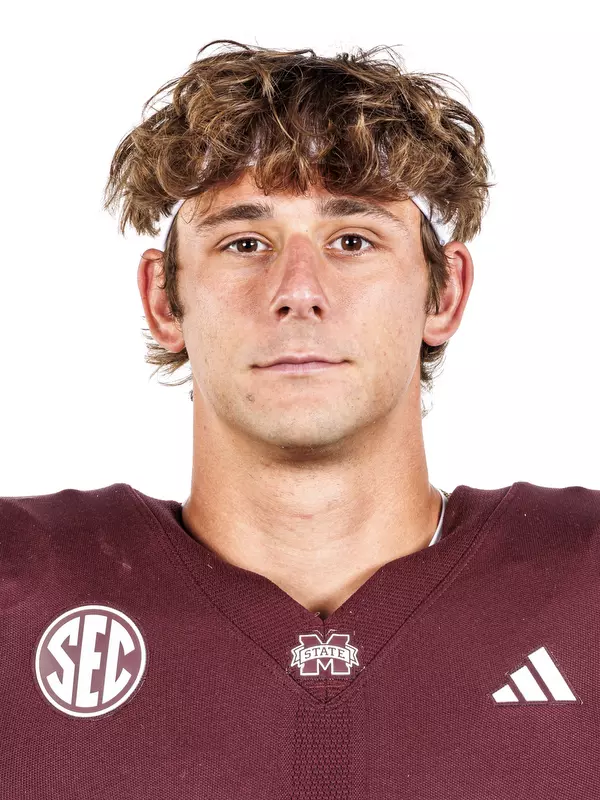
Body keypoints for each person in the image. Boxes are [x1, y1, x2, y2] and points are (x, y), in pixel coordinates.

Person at [1, 39, 598, 799]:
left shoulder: (585, 582)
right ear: (163, 300)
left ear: (443, 296)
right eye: (245, 242)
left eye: (352, 240)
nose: (298, 290)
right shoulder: (18, 587)